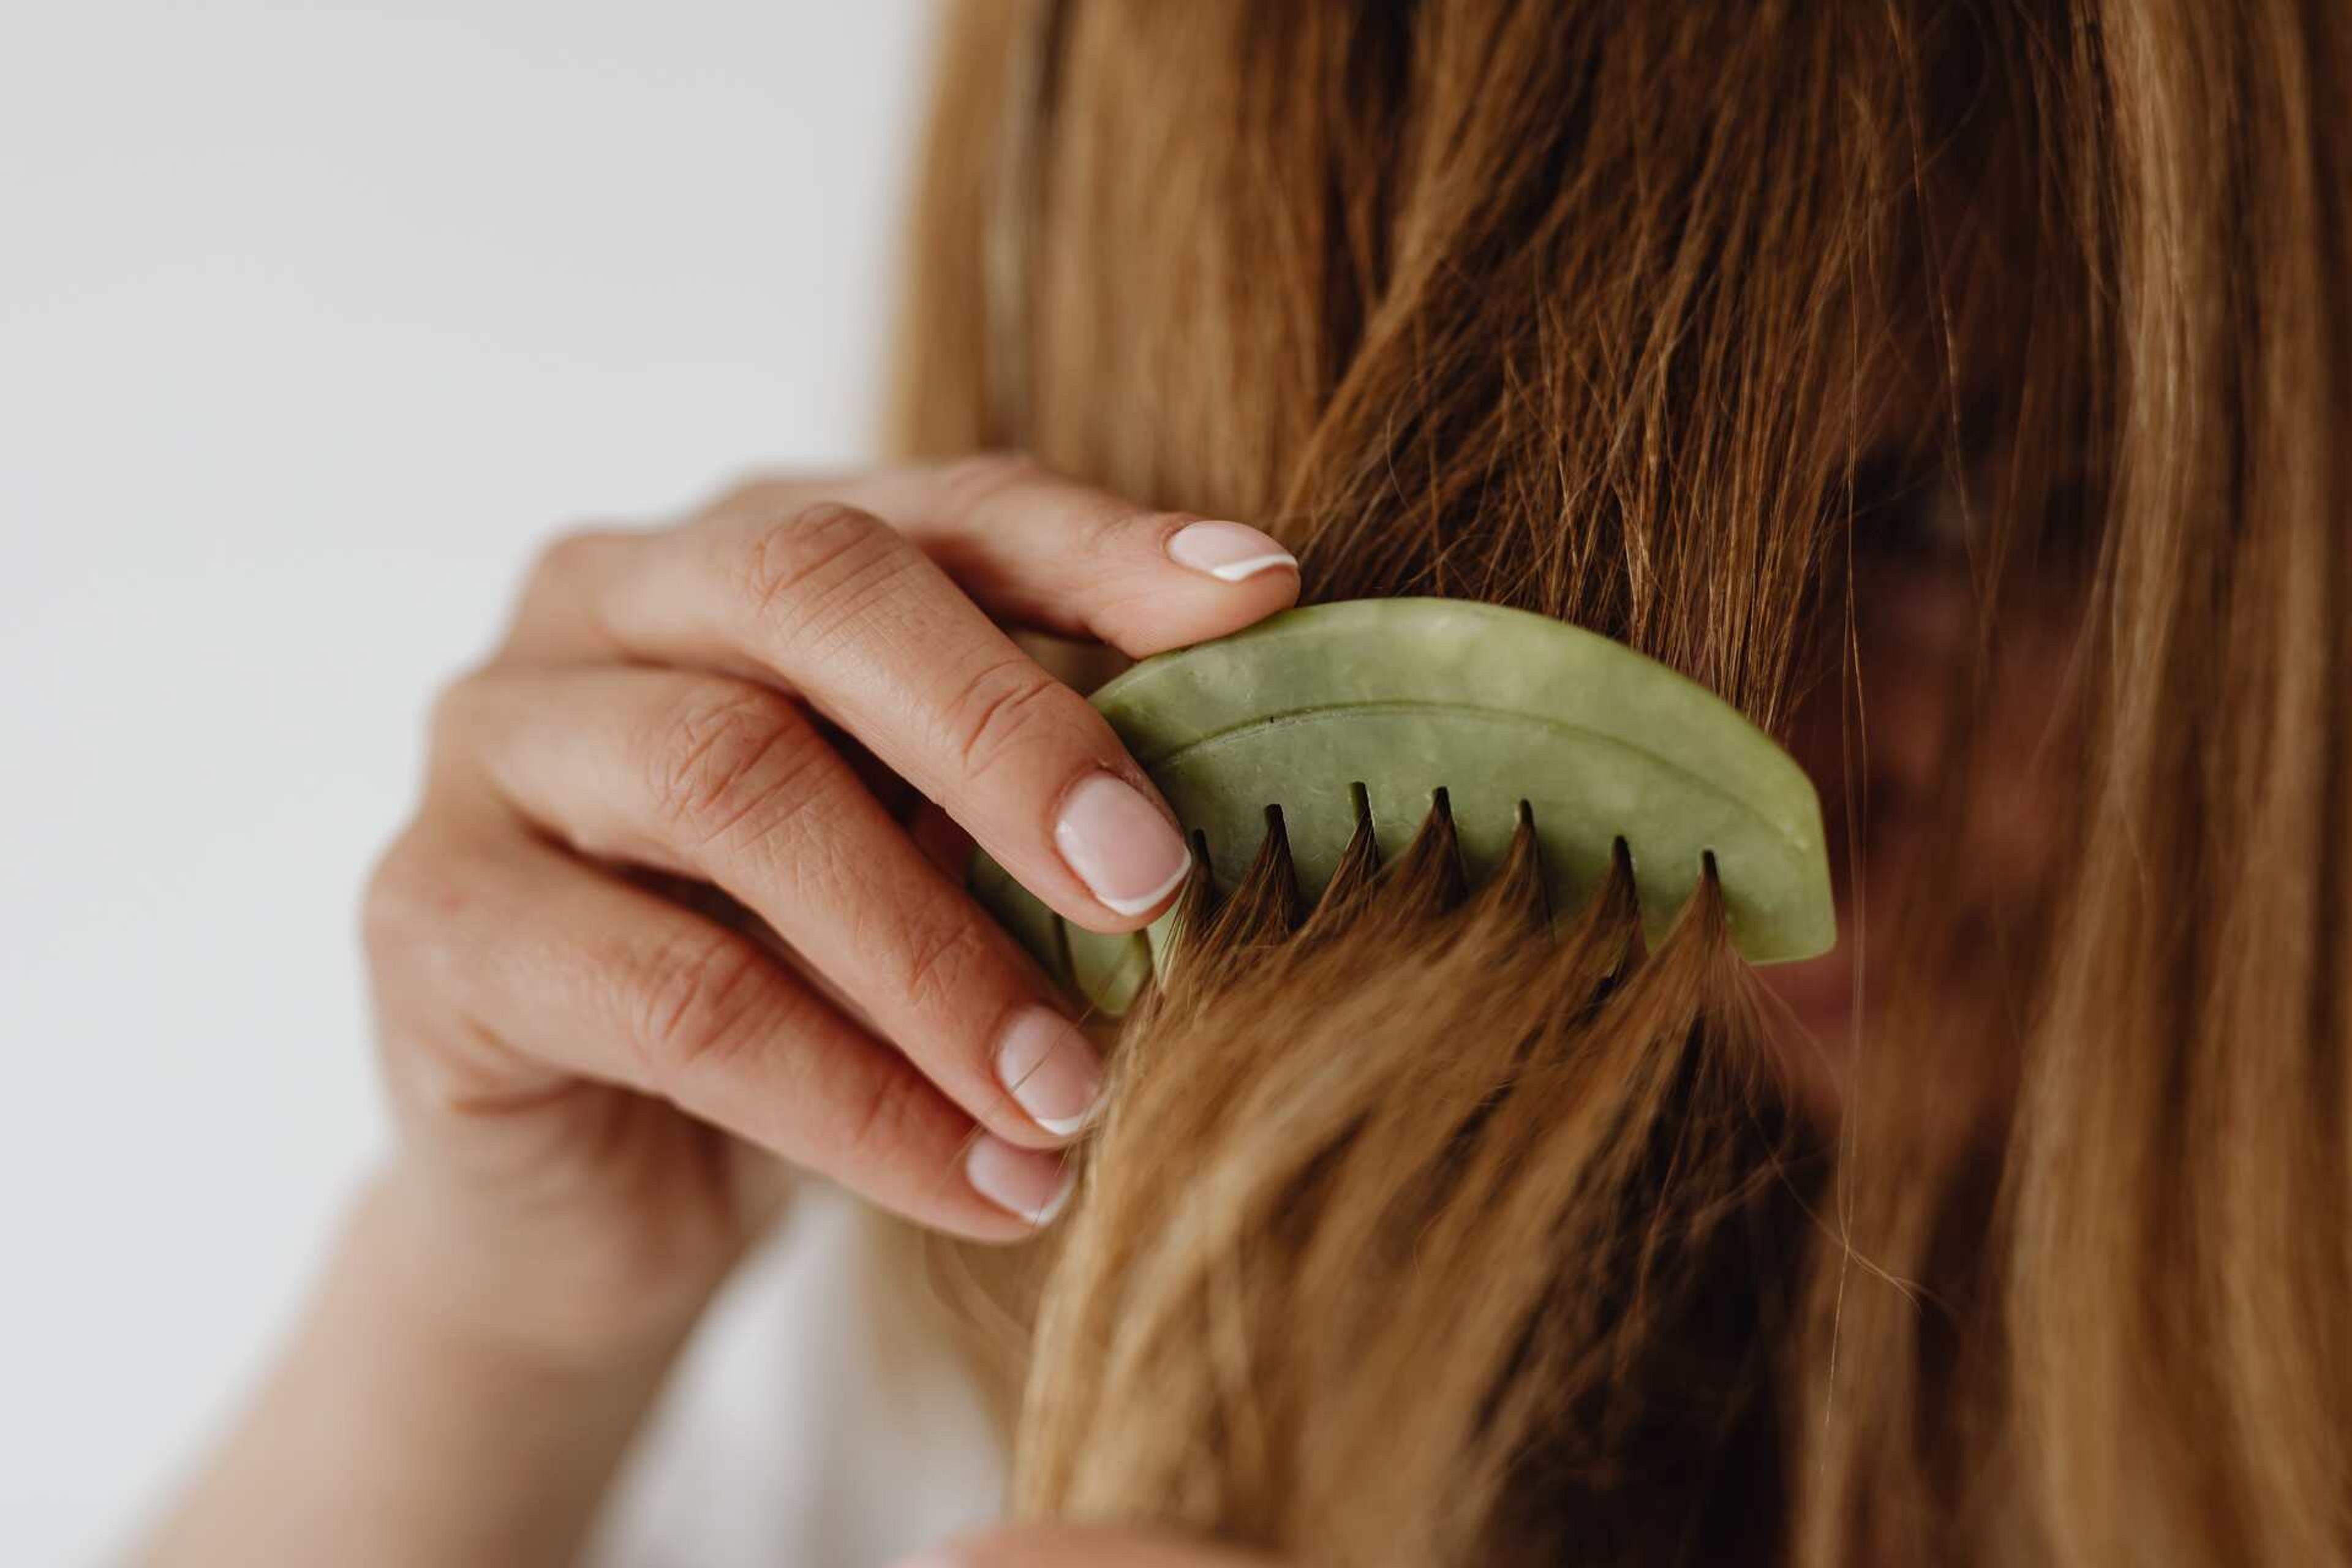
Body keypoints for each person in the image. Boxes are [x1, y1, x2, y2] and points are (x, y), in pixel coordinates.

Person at [140, 2, 2352, 1564]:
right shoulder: (972, 1326)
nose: (1791, 797)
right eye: (1508, 608)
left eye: (1965, 509)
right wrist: (494, 1334)